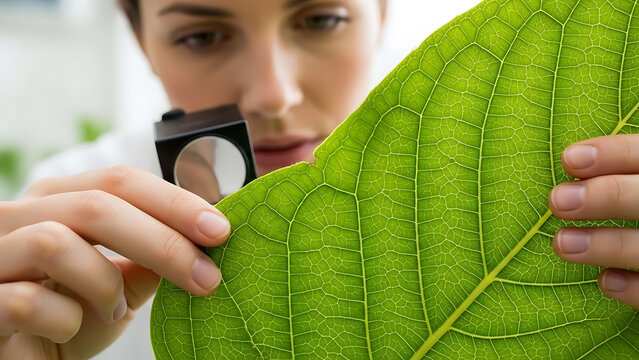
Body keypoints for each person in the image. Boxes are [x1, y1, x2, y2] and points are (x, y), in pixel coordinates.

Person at [0, 0, 638, 358]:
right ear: (141, 41)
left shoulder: (530, 169)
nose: (275, 93)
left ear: (382, 12)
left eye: (321, 19)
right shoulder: (68, 224)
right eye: (201, 35)